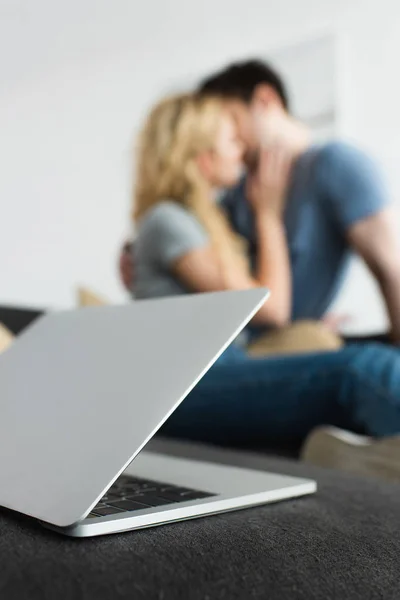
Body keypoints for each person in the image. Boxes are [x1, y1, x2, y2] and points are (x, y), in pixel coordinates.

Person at [131, 91, 400, 480]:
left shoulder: (201, 221)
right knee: (362, 370)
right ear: (202, 155)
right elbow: (272, 310)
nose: (241, 152)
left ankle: (372, 455)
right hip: (183, 386)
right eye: (231, 141)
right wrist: (268, 214)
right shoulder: (168, 221)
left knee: (363, 352)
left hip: (220, 367)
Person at [198, 60, 400, 343]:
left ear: (265, 100)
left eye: (230, 120)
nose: (225, 137)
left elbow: (391, 268)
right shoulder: (236, 195)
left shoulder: (337, 165)